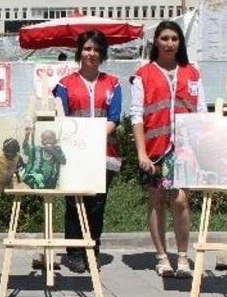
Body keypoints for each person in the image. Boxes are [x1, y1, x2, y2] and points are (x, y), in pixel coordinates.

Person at [131, 20, 206, 278]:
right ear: (156, 42)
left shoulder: (193, 73)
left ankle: (183, 256)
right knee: (157, 200)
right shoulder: (143, 74)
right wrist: (141, 153)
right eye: (164, 38)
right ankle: (162, 255)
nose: (170, 43)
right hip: (155, 149)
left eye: (174, 39)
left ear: (180, 43)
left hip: (184, 149)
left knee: (181, 200)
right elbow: (136, 116)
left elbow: (202, 112)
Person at [52, 29, 122, 273]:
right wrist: (80, 141)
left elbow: (114, 117)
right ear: (79, 52)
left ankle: (92, 248)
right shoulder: (64, 84)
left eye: (96, 49)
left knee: (97, 203)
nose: (91, 53)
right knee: (74, 201)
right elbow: (61, 117)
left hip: (104, 152)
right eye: (87, 48)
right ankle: (74, 252)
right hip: (74, 153)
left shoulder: (113, 83)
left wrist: (94, 138)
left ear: (102, 54)